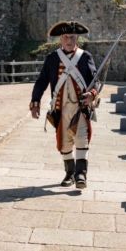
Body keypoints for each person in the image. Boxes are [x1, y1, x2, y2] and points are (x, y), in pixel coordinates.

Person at [30, 21, 99, 189]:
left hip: (79, 108)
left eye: (73, 37)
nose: (69, 40)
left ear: (77, 38)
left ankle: (81, 174)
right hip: (60, 109)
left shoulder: (85, 57)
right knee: (64, 142)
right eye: (66, 37)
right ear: (61, 38)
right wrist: (35, 101)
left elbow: (94, 81)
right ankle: (69, 173)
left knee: (82, 140)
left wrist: (92, 95)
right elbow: (41, 82)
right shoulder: (52, 58)